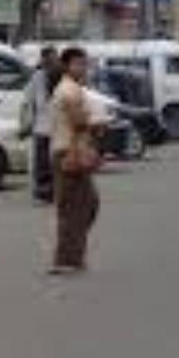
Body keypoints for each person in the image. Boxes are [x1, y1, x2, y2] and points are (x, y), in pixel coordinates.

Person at [49, 47, 100, 276]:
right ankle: (65, 259)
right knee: (76, 207)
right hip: (69, 152)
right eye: (79, 64)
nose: (83, 68)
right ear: (67, 66)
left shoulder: (73, 88)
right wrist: (96, 125)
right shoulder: (69, 90)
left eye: (84, 63)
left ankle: (72, 257)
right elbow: (78, 122)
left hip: (70, 150)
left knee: (84, 205)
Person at [23, 46, 60, 204]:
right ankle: (43, 194)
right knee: (42, 163)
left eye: (53, 59)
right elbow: (29, 100)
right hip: (42, 127)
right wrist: (28, 122)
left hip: (58, 127)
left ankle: (56, 192)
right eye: (47, 59)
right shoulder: (37, 76)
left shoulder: (62, 76)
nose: (50, 62)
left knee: (57, 163)